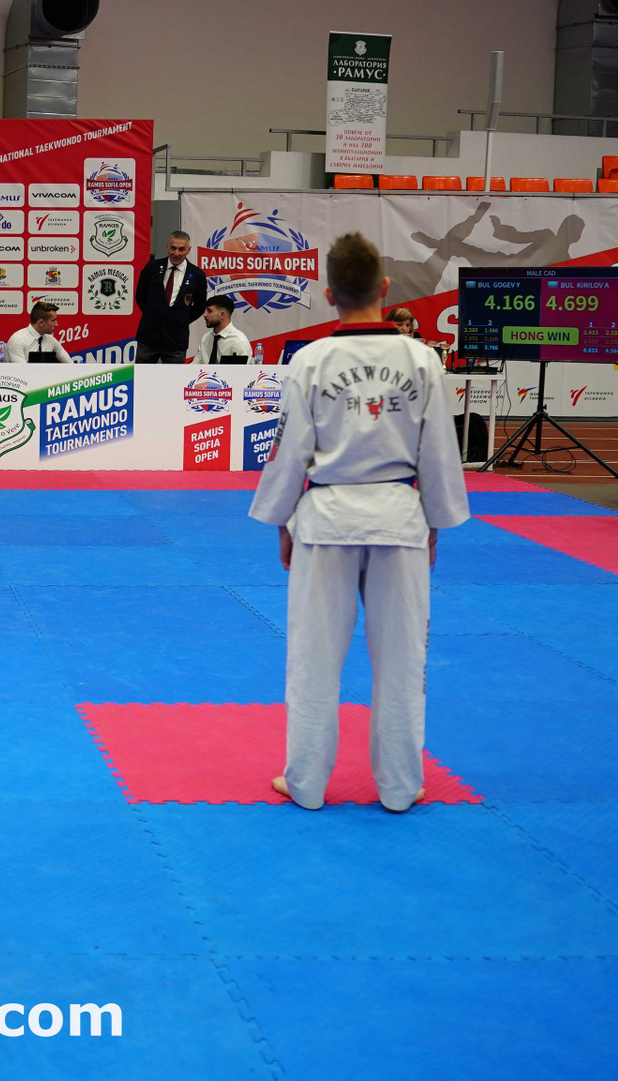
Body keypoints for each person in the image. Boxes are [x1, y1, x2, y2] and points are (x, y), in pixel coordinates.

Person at [249, 232, 469, 814]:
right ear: (386, 288)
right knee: (402, 662)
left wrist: (281, 520)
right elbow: (439, 454)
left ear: (329, 294)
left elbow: (288, 452)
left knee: (312, 659)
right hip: (400, 519)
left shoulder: (310, 361)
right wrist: (435, 522)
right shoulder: (422, 360)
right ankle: (399, 787)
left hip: (326, 521)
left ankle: (306, 783)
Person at [134, 230, 209, 363]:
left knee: (175, 376)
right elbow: (140, 296)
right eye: (173, 248)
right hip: (149, 336)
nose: (176, 253)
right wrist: (153, 315)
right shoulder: (152, 267)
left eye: (181, 249)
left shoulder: (197, 275)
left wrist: (180, 319)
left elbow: (199, 306)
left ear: (188, 250)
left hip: (176, 339)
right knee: (142, 374)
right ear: (167, 247)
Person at [4, 300, 73, 363]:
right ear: (41, 322)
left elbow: (71, 365)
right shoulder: (17, 340)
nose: (57, 325)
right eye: (53, 320)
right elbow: (22, 370)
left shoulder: (51, 340)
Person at [195, 295, 250, 364]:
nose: (205, 315)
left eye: (209, 311)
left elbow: (240, 370)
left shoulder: (239, 342)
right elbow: (195, 366)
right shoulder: (206, 338)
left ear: (222, 315)